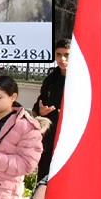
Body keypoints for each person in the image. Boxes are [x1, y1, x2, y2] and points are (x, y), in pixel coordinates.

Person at [32, 38, 68, 180]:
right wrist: (40, 111)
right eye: (58, 55)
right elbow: (39, 103)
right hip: (50, 134)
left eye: (66, 55)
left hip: (68, 136)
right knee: (45, 174)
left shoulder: (81, 79)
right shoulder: (51, 79)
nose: (62, 59)